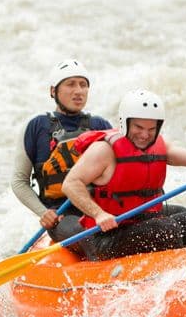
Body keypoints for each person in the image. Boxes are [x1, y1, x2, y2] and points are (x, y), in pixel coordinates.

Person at [62, 89, 186, 261]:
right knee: (167, 229)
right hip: (106, 236)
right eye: (138, 127)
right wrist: (99, 214)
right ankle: (177, 268)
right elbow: (71, 183)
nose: (144, 135)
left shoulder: (159, 145)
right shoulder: (104, 151)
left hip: (140, 221)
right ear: (125, 123)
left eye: (151, 129)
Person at [11, 59, 113, 242]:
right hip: (63, 217)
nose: (78, 91)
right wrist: (44, 213)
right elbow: (19, 181)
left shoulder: (101, 125)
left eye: (83, 85)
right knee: (89, 234)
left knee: (181, 215)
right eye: (70, 84)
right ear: (53, 91)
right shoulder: (36, 127)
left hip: (102, 210)